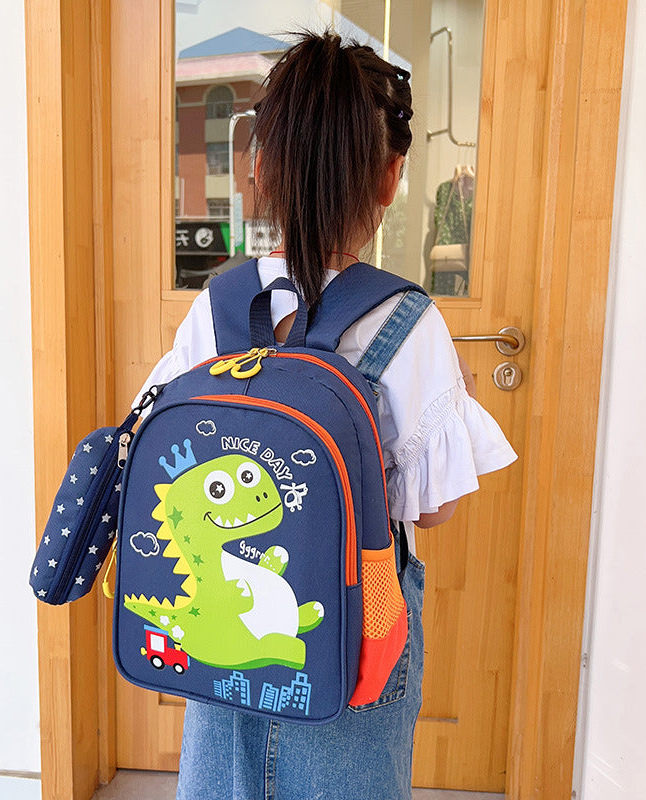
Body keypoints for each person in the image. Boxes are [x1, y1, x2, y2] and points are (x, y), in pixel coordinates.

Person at [136, 29, 516, 800]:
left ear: (260, 168)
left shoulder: (214, 310)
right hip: (353, 633)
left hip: (226, 636)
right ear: (391, 177)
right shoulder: (409, 323)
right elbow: (431, 510)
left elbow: (156, 434)